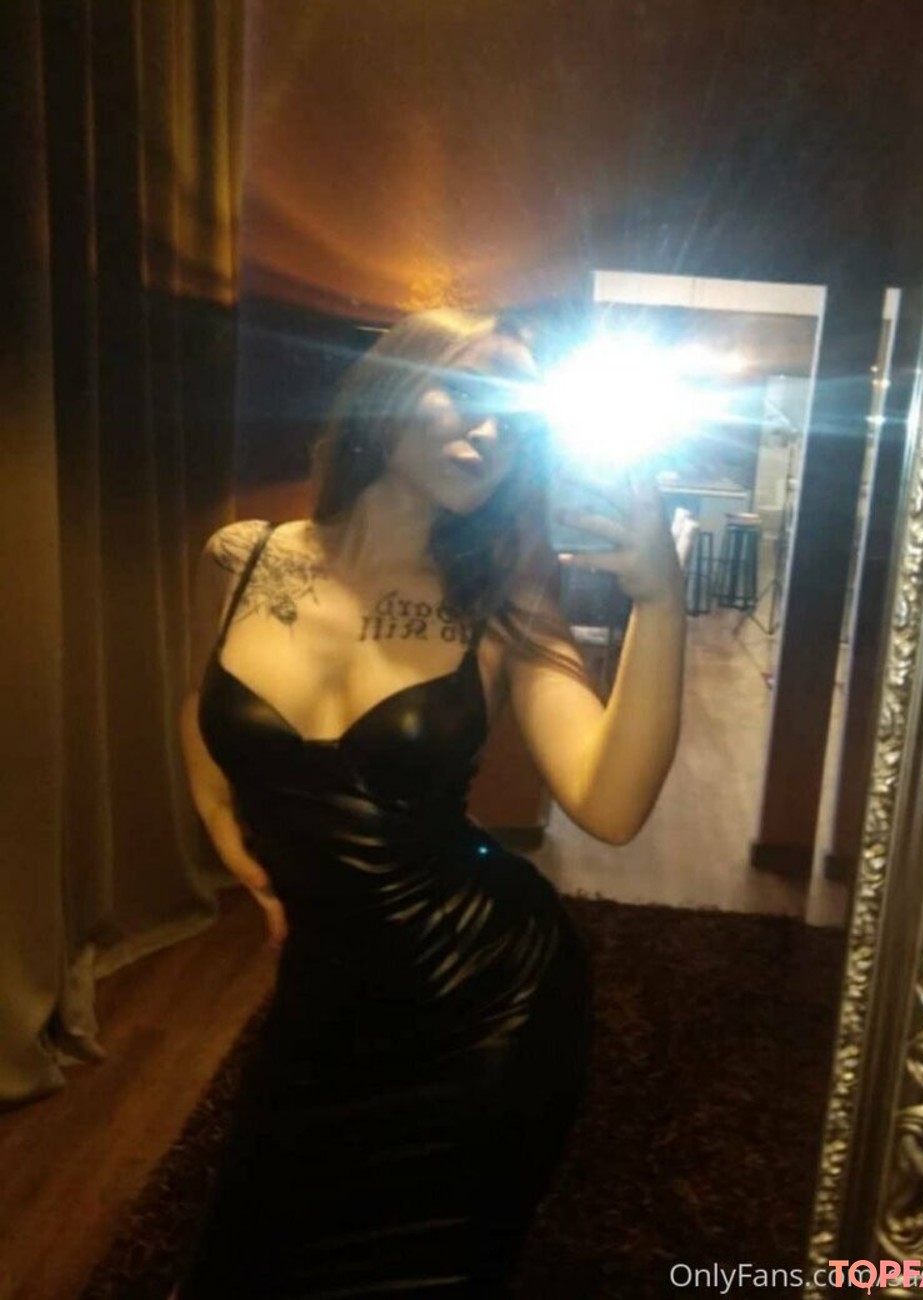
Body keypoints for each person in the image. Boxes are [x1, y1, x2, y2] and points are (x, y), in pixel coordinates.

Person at [173, 308, 686, 1297]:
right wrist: (225, 828)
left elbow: (611, 802)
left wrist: (660, 601)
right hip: (320, 1002)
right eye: (471, 392)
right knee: (244, 1256)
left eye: (519, 422)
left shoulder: (503, 601)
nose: (493, 431)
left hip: (483, 1003)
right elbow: (199, 703)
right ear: (389, 389)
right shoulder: (240, 558)